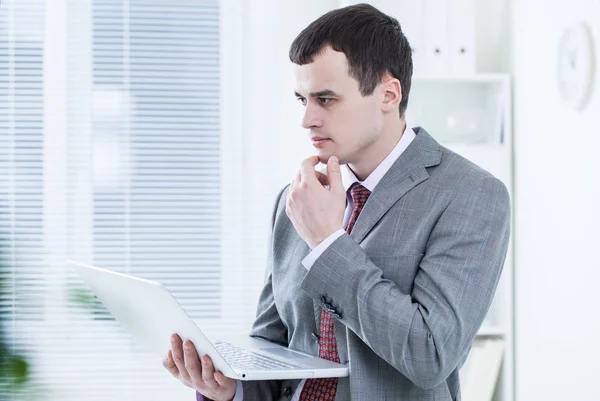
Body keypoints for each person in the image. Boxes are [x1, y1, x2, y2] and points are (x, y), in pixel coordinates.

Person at [162, 3, 511, 401]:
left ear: (388, 93)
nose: (307, 119)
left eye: (325, 99)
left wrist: (328, 243)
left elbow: (430, 354)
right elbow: (272, 353)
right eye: (302, 99)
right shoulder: (294, 199)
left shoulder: (471, 194)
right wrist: (230, 388)